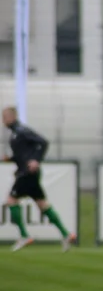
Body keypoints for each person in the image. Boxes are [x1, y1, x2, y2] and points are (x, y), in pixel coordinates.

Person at [2, 106, 76, 252]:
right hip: (28, 172)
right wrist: (10, 159)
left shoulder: (21, 131)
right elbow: (23, 154)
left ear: (12, 117)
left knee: (11, 201)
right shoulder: (15, 134)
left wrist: (36, 160)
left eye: (4, 117)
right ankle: (66, 234)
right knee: (42, 204)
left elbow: (43, 142)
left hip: (27, 173)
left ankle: (24, 235)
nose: (3, 121)